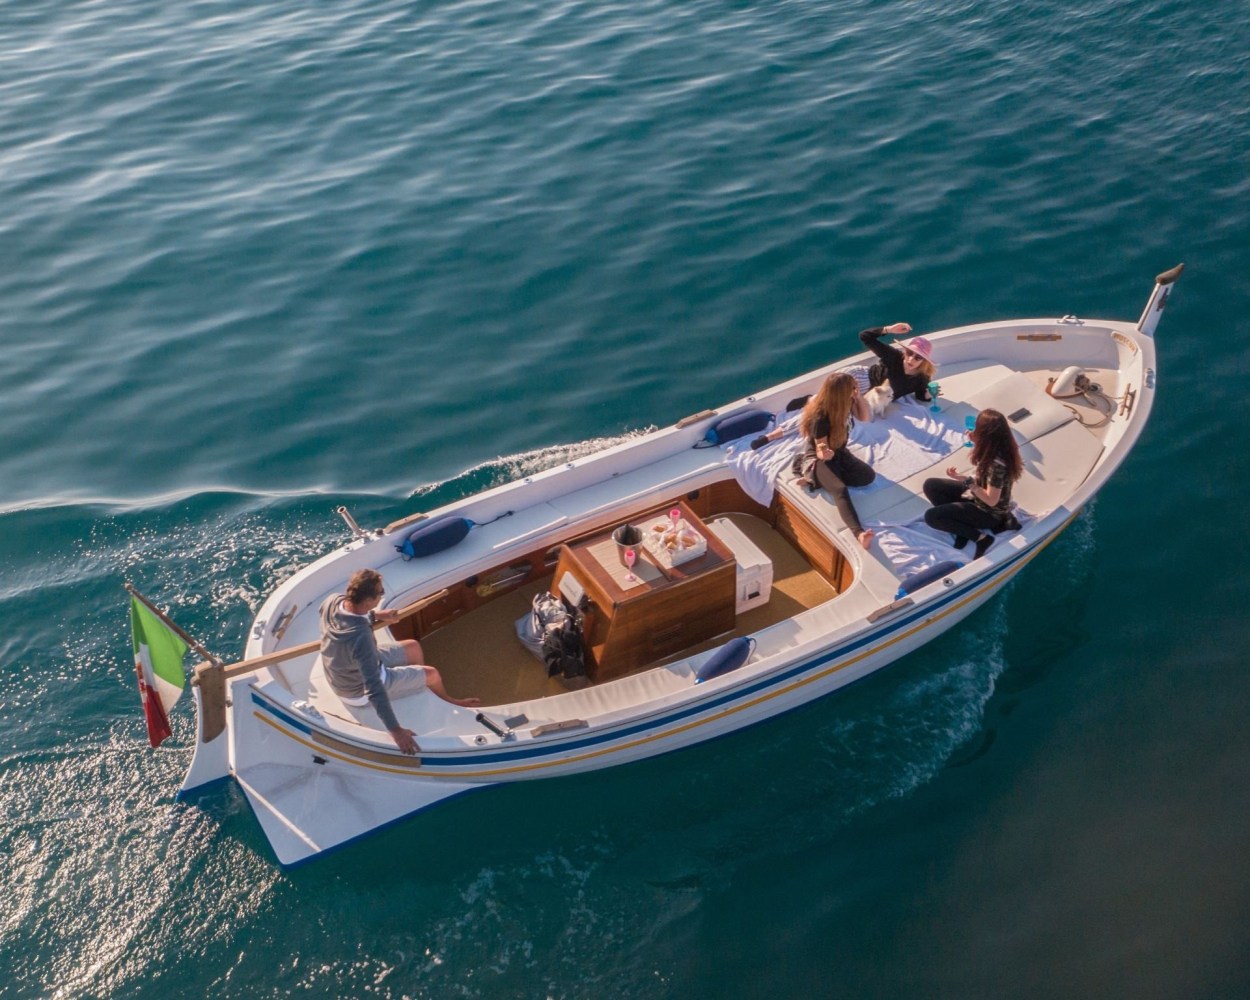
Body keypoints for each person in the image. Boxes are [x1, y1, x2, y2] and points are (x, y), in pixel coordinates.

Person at [319, 568, 479, 754]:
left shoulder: (332, 601)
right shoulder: (361, 637)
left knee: (412, 646)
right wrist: (396, 731)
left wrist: (376, 616)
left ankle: (418, 682)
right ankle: (448, 700)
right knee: (432, 674)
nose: (382, 596)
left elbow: (348, 615)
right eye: (381, 593)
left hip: (346, 664)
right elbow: (374, 687)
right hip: (356, 690)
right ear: (369, 600)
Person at [922, 408, 1024, 559]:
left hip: (989, 513)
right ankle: (961, 528)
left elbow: (991, 500)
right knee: (931, 485)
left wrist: (968, 481)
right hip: (978, 498)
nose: (974, 430)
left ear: (986, 436)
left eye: (977, 429)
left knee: (931, 517)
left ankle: (981, 538)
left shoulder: (997, 466)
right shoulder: (997, 447)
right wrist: (976, 441)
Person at [795, 372, 877, 550]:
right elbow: (820, 447)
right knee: (840, 489)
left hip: (840, 452)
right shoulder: (820, 416)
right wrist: (825, 453)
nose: (854, 391)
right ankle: (859, 534)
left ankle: (818, 479)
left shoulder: (847, 403)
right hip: (819, 458)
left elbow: (864, 417)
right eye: (852, 389)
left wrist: (857, 396)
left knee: (867, 477)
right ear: (840, 393)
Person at [859, 322, 938, 402]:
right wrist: (888, 329)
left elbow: (920, 395)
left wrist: (929, 395)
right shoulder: (894, 356)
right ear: (905, 351)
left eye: (918, 357)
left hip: (877, 400)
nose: (911, 359)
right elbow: (865, 336)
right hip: (863, 380)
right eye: (909, 353)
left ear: (923, 361)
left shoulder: (922, 378)